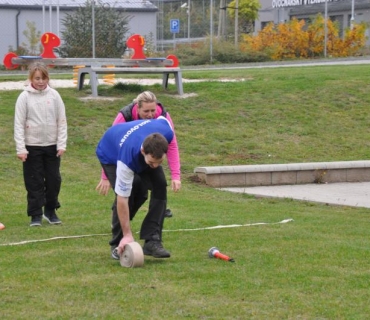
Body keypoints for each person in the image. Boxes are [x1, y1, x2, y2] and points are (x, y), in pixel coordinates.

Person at [96, 117, 181, 259]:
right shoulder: (127, 159)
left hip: (134, 142)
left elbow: (161, 118)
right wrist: (128, 234)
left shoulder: (166, 129)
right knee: (131, 191)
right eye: (152, 162)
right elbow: (122, 198)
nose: (155, 166)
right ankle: (118, 241)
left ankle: (152, 240)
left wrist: (175, 174)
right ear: (143, 152)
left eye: (159, 162)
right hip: (110, 152)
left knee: (160, 184)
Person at [96, 91, 179, 218]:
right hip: (122, 156)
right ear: (137, 107)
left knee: (160, 182)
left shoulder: (162, 116)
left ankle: (156, 214)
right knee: (134, 184)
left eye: (153, 110)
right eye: (146, 111)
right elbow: (111, 144)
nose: (150, 115)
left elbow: (172, 145)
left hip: (147, 155)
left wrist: (175, 175)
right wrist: (106, 176)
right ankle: (120, 215)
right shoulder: (125, 116)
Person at [14, 62, 68, 227]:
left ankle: (50, 211)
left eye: (44, 78)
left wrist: (61, 144)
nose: (41, 81)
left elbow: (62, 121)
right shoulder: (24, 97)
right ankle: (35, 214)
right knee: (34, 181)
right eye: (37, 78)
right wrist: (21, 148)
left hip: (52, 146)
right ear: (31, 78)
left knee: (53, 180)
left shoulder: (54, 95)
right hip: (32, 147)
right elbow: (19, 124)